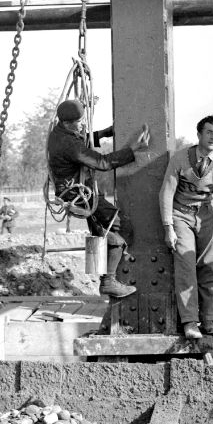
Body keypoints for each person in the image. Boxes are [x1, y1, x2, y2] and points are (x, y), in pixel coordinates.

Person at [46, 99, 149, 299]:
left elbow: (80, 140)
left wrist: (104, 133)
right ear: (67, 123)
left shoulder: (57, 133)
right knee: (120, 228)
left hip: (75, 193)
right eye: (79, 122)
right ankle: (108, 281)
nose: (82, 124)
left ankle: (99, 268)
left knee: (99, 231)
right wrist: (133, 149)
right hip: (80, 196)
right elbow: (102, 162)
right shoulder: (69, 144)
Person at [159, 115, 213, 339]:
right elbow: (166, 192)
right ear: (199, 134)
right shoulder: (180, 159)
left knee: (208, 267)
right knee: (186, 267)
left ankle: (209, 321)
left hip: (208, 216)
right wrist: (168, 227)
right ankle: (190, 322)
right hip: (181, 215)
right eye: (209, 132)